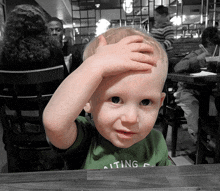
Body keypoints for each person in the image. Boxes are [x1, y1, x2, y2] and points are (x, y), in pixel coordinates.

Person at [43, 26, 172, 170]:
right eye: (115, 99)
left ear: (160, 103)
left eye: (146, 102)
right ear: (88, 99)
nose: (131, 118)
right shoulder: (84, 138)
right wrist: (95, 66)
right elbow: (54, 124)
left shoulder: (156, 143)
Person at [0, 4, 68, 91]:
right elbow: (65, 82)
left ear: (10, 28)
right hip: (49, 103)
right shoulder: (54, 51)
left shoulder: (4, 54)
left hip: (14, 104)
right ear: (42, 26)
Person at [173, 26, 220, 143]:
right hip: (187, 92)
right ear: (208, 44)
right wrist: (197, 59)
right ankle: (200, 142)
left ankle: (211, 142)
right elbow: (177, 67)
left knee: (213, 107)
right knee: (193, 109)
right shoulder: (197, 53)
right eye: (215, 46)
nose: (217, 49)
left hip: (209, 93)